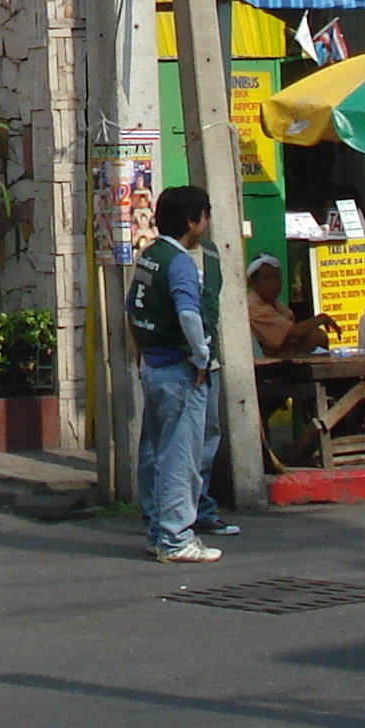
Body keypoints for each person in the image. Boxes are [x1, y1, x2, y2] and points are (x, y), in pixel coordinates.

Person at [128, 185, 226, 563]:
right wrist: (201, 355)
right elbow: (189, 312)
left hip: (153, 366)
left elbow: (132, 305)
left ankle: (158, 532)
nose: (207, 221)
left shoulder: (151, 255)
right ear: (192, 221)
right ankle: (175, 538)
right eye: (204, 214)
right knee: (180, 460)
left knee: (160, 453)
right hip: (179, 371)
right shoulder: (181, 261)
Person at [244, 255, 332, 359]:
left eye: (277, 278)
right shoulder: (253, 306)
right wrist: (322, 318)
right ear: (253, 283)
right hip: (263, 365)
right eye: (267, 279)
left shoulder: (278, 305)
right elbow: (292, 333)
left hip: (283, 359)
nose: (274, 283)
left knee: (317, 336)